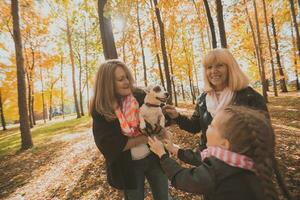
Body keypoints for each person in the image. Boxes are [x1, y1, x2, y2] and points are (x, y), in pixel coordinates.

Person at [148, 106, 285, 200]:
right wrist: (175, 150)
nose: (207, 127)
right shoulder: (246, 165)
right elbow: (199, 158)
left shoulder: (218, 172)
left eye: (212, 126)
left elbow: (183, 179)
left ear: (224, 144)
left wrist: (163, 155)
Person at [90, 60, 170, 200]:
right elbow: (109, 145)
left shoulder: (139, 96)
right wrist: (145, 137)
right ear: (107, 84)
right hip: (128, 167)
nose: (126, 81)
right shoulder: (101, 110)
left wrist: (165, 116)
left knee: (164, 196)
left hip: (154, 157)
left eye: (126, 77)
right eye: (120, 79)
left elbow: (158, 117)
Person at [163, 48, 268, 151]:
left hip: (239, 163)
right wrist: (177, 117)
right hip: (209, 160)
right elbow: (195, 127)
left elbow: (263, 137)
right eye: (209, 67)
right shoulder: (203, 99)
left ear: (230, 68)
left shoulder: (250, 97)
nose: (213, 71)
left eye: (219, 65)